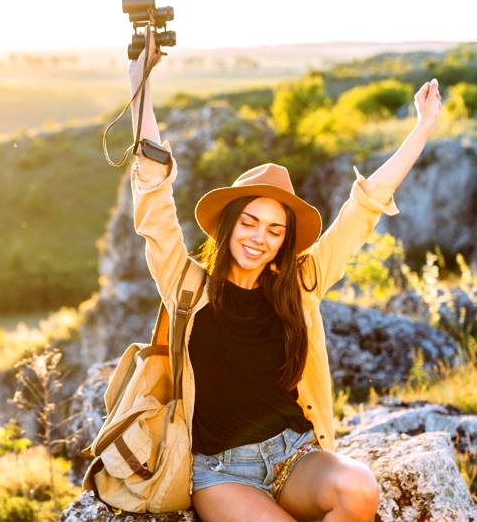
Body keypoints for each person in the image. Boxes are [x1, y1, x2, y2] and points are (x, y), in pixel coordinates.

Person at [126, 30, 442, 522]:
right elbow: (155, 206)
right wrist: (138, 84)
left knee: (358, 490)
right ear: (229, 225)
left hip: (294, 455)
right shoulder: (187, 284)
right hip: (222, 471)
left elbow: (361, 210)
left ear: (285, 240)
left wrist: (422, 128)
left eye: (274, 230)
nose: (259, 237)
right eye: (249, 223)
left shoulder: (299, 283)